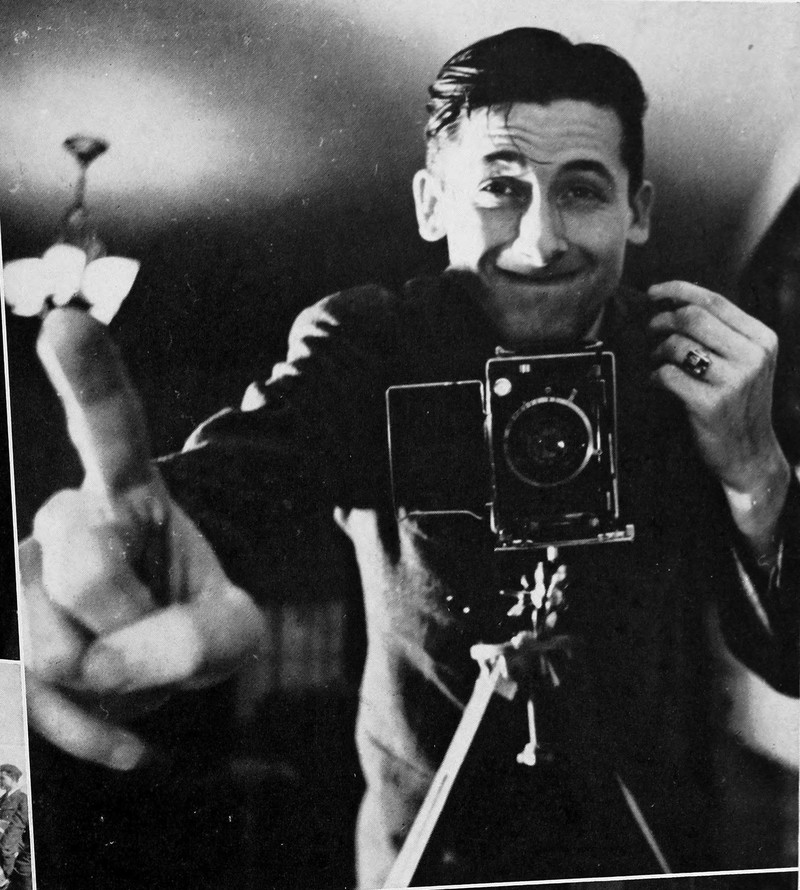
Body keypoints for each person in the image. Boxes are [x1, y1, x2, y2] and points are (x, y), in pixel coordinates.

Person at [20, 27, 798, 889]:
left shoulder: (690, 367)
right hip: (428, 849)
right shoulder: (376, 346)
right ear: (431, 206)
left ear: (637, 211)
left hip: (649, 852)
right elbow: (248, 467)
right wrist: (132, 557)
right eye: (499, 188)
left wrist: (758, 473)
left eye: (581, 190)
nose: (540, 240)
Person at [0, 766, 29, 890]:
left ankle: (5, 879)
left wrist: (4, 841)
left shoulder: (22, 797)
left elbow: (19, 823)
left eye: (2, 778)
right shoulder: (2, 798)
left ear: (12, 777)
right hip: (2, 833)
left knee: (4, 848)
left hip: (13, 838)